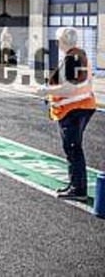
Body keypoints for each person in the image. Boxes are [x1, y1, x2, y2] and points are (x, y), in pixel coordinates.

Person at [37, 27, 96, 201]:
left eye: (58, 40)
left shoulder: (72, 59)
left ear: (62, 41)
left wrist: (46, 90)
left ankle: (78, 190)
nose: (57, 43)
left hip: (73, 109)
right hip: (81, 106)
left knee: (73, 149)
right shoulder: (79, 55)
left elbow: (70, 88)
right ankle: (75, 185)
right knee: (73, 148)